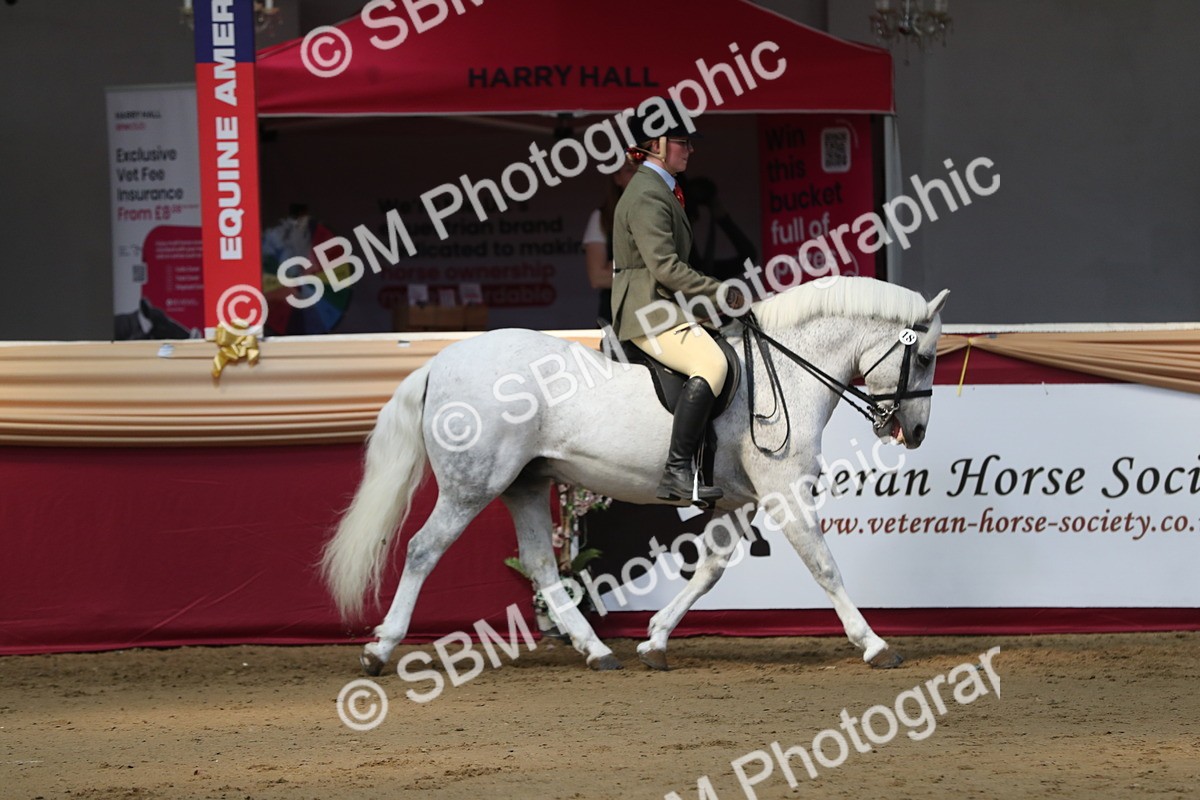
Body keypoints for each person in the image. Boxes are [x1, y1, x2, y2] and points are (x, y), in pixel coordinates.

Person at [611, 100, 744, 506]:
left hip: (662, 304)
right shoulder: (648, 195)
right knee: (712, 364)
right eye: (681, 142)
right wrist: (719, 291)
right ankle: (676, 471)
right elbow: (667, 268)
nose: (690, 149)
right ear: (654, 145)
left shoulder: (662, 189)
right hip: (647, 309)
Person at [581, 159, 638, 325]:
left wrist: (618, 268)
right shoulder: (602, 217)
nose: (636, 176)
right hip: (616, 319)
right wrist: (645, 266)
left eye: (642, 170)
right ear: (617, 178)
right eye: (629, 170)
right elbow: (597, 277)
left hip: (661, 315)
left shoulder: (664, 214)